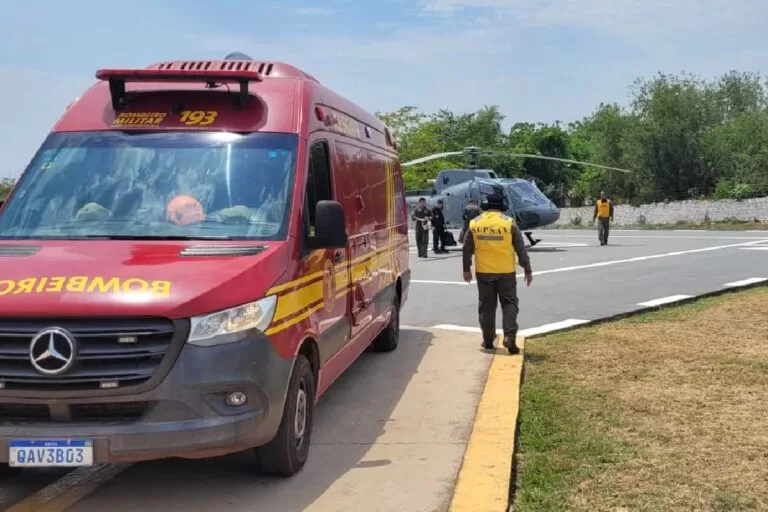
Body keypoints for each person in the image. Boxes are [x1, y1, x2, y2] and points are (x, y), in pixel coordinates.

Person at [462, 193, 533, 354]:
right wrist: (527, 270)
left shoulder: (475, 223)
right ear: (503, 205)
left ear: (485, 205)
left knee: (486, 307)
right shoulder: (509, 223)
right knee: (509, 304)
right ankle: (509, 337)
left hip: (484, 272)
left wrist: (466, 268)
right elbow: (521, 249)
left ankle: (488, 341)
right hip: (506, 271)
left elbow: (467, 249)